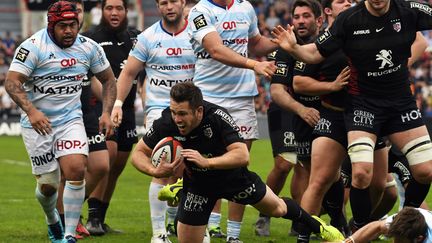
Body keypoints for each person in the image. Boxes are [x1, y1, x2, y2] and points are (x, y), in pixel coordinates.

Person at [272, 0, 432, 231]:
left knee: (421, 172)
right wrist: (295, 49)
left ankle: (407, 216)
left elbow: (419, 40)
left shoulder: (410, 9)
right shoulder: (348, 20)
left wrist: (404, 63)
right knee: (354, 175)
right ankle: (353, 228)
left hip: (400, 103)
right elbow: (313, 57)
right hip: (360, 107)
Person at [131, 82, 345, 243]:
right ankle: (181, 188)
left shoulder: (217, 117)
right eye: (174, 112)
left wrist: (208, 163)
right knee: (186, 239)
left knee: (278, 209)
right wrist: (154, 170)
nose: (177, 119)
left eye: (183, 114)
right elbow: (138, 153)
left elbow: (242, 155)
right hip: (199, 185)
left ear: (198, 111)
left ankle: (318, 226)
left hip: (234, 178)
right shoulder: (167, 121)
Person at [4, 1, 117, 242]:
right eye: (63, 26)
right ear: (52, 26)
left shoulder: (89, 48)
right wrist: (32, 111)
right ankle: (51, 219)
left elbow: (108, 80)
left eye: (73, 25)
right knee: (48, 187)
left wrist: (107, 112)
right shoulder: (33, 47)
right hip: (38, 124)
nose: (69, 31)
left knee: (76, 169)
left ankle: (68, 234)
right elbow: (12, 82)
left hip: (70, 120)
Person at [187, 0, 278, 241]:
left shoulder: (245, 7)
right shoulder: (200, 11)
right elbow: (215, 49)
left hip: (241, 98)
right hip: (209, 97)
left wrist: (282, 42)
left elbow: (255, 42)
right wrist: (253, 64)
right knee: (205, 165)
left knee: (238, 167)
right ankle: (208, 227)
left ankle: (233, 234)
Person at [111, 0, 195, 241]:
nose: (169, 7)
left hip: (192, 112)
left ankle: (174, 223)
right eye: (163, 3)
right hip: (160, 111)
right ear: (158, 7)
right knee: (162, 166)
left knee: (184, 170)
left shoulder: (197, 35)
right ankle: (159, 234)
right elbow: (128, 72)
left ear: (182, 3)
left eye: (173, 2)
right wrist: (117, 104)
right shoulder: (147, 37)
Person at [255, 0, 323, 238]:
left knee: (306, 167)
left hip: (315, 110)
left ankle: (300, 220)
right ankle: (264, 211)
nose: (300, 21)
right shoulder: (286, 45)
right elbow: (278, 91)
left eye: (306, 16)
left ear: (319, 20)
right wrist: (300, 109)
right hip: (285, 108)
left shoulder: (327, 42)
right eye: (297, 17)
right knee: (285, 164)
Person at [83, 0, 141, 235]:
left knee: (117, 166)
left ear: (127, 12)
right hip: (102, 108)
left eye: (119, 8)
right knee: (108, 157)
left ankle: (100, 218)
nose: (114, 13)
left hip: (127, 111)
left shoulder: (137, 38)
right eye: (109, 8)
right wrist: (110, 104)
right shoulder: (90, 38)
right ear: (101, 11)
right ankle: (90, 218)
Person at [340, 206, 432, 243]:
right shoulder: (402, 220)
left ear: (418, 238)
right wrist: (350, 241)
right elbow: (378, 226)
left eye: (400, 242)